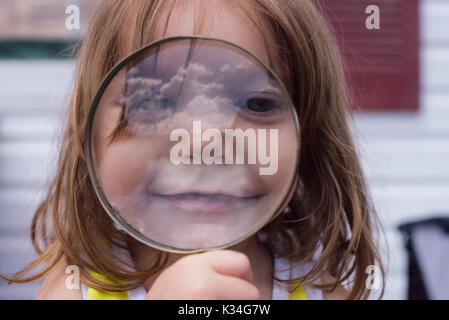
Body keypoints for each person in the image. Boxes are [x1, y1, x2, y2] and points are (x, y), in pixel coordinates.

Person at [3, 0, 384, 300]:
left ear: (311, 141)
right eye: (152, 101)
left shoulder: (326, 290)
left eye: (257, 104)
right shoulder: (73, 290)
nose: (203, 141)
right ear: (90, 136)